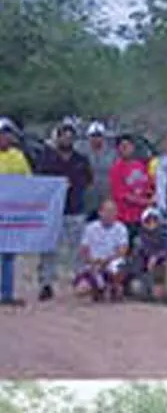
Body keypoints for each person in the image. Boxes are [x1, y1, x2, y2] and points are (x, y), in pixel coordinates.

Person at [35, 120, 93, 301]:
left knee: (77, 249)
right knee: (49, 248)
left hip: (76, 209)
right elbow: (39, 181)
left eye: (70, 137)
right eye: (64, 136)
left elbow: (88, 180)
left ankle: (79, 281)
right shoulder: (47, 158)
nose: (67, 140)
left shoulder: (81, 160)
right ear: (58, 138)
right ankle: (46, 283)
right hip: (53, 211)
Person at [0, 118, 32, 307]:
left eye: (6, 134)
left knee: (8, 255)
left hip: (10, 215)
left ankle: (7, 293)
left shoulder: (18, 156)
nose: (4, 137)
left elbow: (28, 181)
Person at [76, 199, 130, 302]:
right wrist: (92, 261)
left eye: (113, 211)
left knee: (118, 268)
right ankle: (98, 289)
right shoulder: (90, 228)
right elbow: (83, 249)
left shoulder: (121, 228)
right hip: (94, 264)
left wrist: (107, 260)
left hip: (112, 263)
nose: (110, 214)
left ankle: (115, 287)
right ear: (100, 212)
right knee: (81, 290)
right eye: (107, 211)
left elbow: (123, 250)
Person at [109, 134, 153, 252]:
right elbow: (124, 196)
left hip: (142, 217)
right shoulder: (116, 169)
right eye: (123, 146)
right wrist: (147, 202)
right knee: (125, 250)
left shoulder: (140, 166)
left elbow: (148, 186)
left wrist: (152, 197)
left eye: (128, 146)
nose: (126, 149)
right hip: (125, 218)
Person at [131, 208, 167, 302]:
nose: (151, 224)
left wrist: (157, 256)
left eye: (154, 221)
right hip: (146, 273)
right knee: (136, 287)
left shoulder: (165, 236)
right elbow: (138, 265)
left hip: (161, 271)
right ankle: (151, 292)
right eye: (148, 221)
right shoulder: (138, 239)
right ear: (143, 223)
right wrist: (150, 283)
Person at [85, 121, 116, 219]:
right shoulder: (83, 153)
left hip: (107, 194)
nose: (96, 138)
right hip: (89, 196)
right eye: (93, 136)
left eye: (98, 135)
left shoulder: (113, 153)